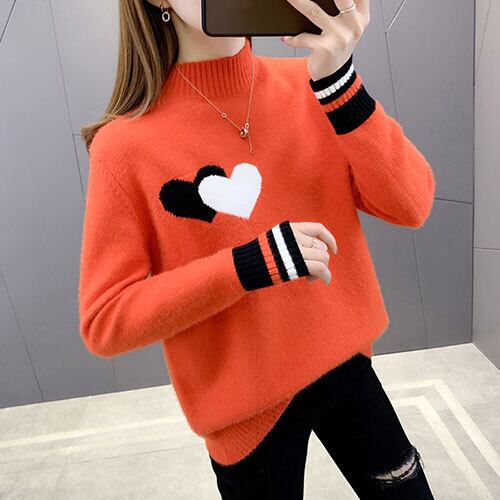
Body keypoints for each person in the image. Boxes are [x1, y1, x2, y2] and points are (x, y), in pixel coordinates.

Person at [78, 0, 436, 498]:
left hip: (345, 368)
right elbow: (105, 320)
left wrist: (341, 85)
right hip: (246, 416)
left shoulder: (315, 85)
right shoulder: (124, 147)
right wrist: (248, 266)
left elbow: (412, 204)